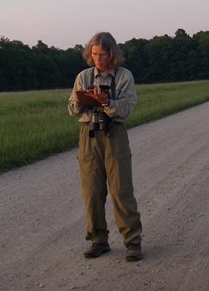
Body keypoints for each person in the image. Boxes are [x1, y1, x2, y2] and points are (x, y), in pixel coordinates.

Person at [68, 32, 143, 262]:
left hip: (114, 133)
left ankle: (133, 242)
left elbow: (127, 109)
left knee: (121, 191)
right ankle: (98, 240)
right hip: (88, 134)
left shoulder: (123, 76)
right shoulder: (83, 76)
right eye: (94, 54)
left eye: (102, 54)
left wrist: (106, 102)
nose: (98, 59)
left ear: (112, 53)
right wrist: (82, 100)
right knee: (92, 191)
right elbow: (71, 108)